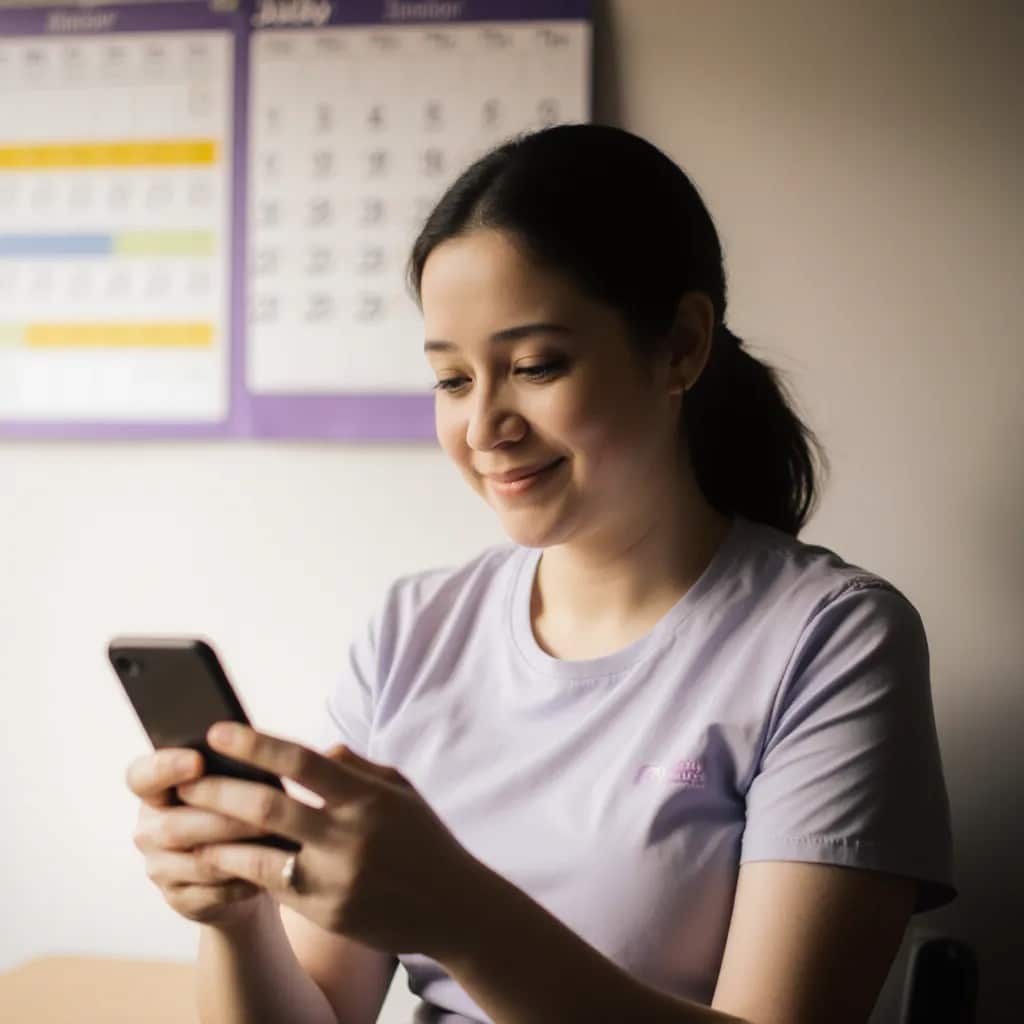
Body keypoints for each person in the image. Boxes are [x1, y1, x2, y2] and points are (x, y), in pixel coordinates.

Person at [124, 124, 956, 1024]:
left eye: (534, 366)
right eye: (451, 380)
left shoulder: (830, 638)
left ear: (680, 345)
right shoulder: (414, 630)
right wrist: (240, 913)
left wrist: (458, 913)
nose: (484, 426)